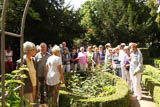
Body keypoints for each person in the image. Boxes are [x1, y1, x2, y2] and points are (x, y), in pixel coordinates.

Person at [19, 41, 37, 106]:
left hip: (34, 85)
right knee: (29, 105)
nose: (35, 51)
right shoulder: (22, 61)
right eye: (33, 49)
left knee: (31, 103)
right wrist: (20, 89)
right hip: (27, 87)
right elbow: (19, 76)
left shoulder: (33, 60)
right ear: (27, 51)